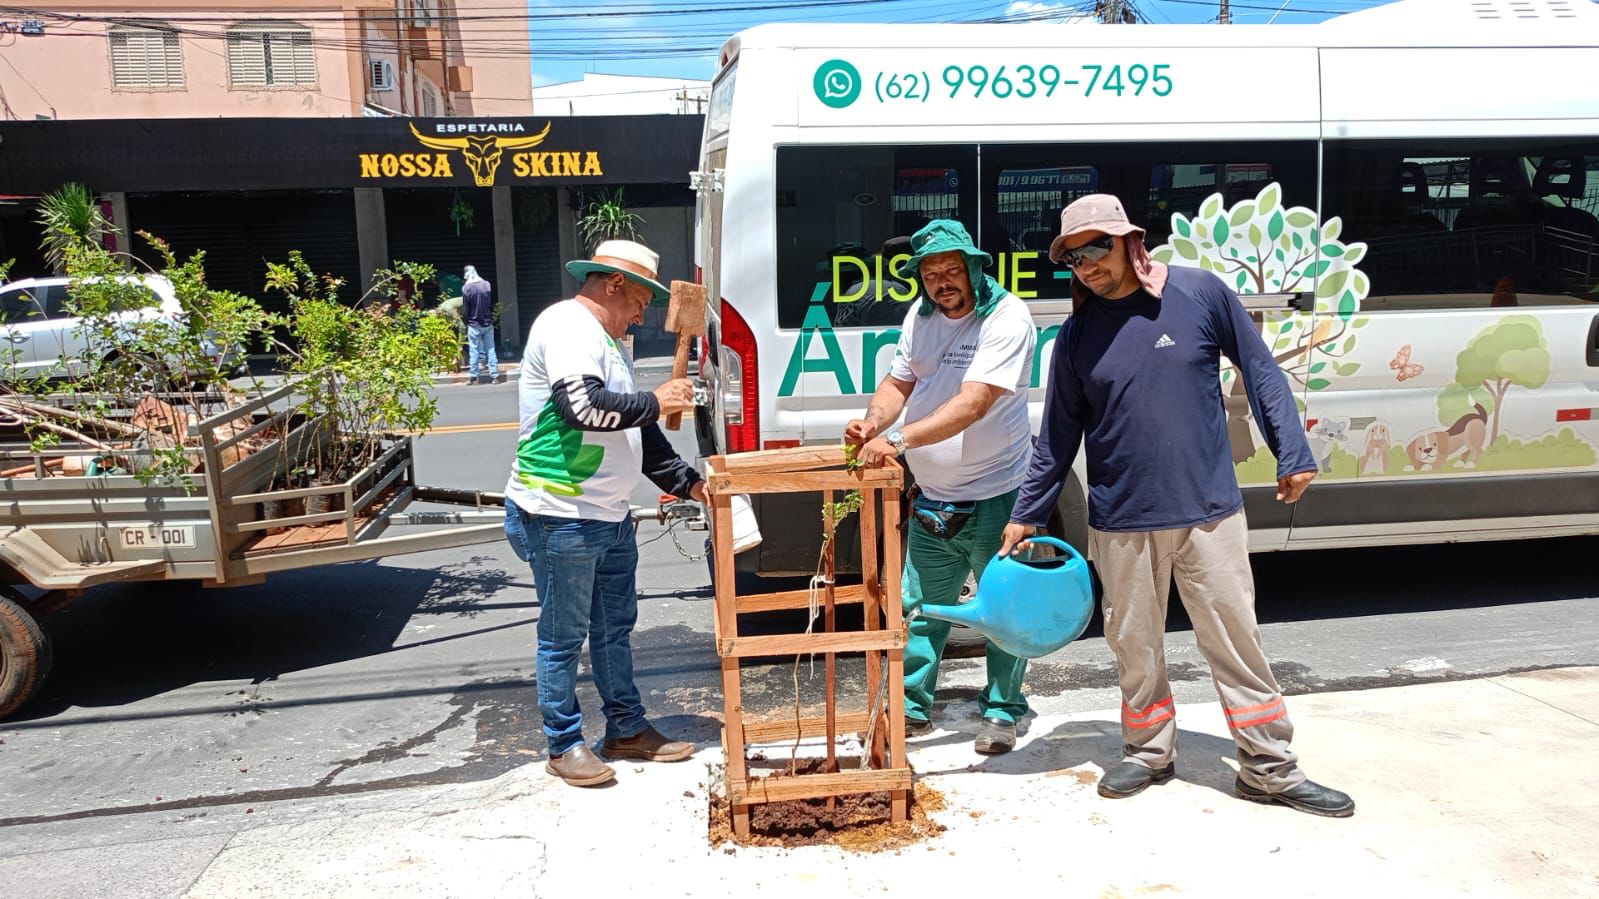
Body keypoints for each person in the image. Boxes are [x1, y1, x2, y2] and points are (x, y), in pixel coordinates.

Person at [997, 194, 1355, 817]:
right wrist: (1027, 511)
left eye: (1095, 249)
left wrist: (1290, 450)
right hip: (1122, 519)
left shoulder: (1199, 295)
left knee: (1235, 642)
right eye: (1072, 257)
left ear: (1130, 241)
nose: (1085, 265)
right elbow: (1057, 434)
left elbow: (1261, 370)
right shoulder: (1078, 336)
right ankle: (1147, 751)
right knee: (1134, 646)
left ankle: (1269, 766)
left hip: (1208, 512)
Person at [502, 240, 706, 788]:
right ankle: (563, 743)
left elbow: (637, 429)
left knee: (615, 630)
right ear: (613, 285)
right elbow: (585, 409)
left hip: (609, 515)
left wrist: (689, 484)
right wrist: (658, 400)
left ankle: (625, 728)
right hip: (558, 512)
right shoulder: (567, 325)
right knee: (563, 635)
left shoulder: (612, 343)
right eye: (641, 299)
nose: (645, 314)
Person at [846, 219, 1038, 754]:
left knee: (1003, 609)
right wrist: (872, 423)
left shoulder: (1007, 316)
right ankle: (910, 708)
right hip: (935, 496)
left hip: (998, 493)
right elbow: (898, 381)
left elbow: (975, 401)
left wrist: (900, 441)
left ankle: (1002, 710)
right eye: (931, 273)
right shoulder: (921, 316)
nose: (942, 282)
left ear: (976, 269)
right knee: (922, 607)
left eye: (953, 269)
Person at [462, 265, 502, 385]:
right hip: (487, 323)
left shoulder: (466, 288)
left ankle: (474, 377)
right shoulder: (487, 285)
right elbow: (489, 302)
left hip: (474, 324)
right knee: (491, 349)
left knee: (474, 350)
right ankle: (495, 376)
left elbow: (466, 308)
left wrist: (466, 321)